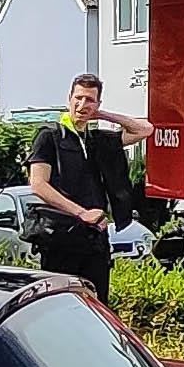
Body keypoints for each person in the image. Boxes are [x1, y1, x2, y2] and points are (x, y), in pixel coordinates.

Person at [26, 73, 151, 300]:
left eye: (90, 100)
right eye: (78, 98)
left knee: (96, 304)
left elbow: (144, 129)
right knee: (59, 303)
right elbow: (38, 184)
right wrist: (81, 213)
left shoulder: (98, 140)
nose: (82, 105)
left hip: (94, 238)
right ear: (69, 99)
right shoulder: (50, 137)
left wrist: (102, 115)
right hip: (60, 236)